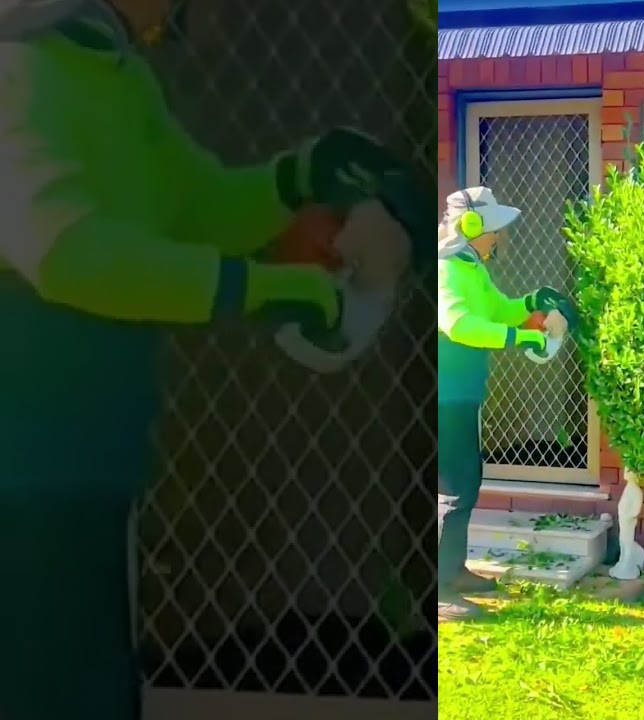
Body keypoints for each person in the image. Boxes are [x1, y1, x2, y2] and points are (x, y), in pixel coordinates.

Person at [0, 1, 421, 718]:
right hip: (24, 468)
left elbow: (196, 206)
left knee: (90, 682)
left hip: (97, 462)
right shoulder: (19, 68)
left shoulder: (117, 77)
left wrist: (300, 173)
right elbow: (70, 253)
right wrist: (256, 290)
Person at [437, 186, 578, 621]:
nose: (499, 236)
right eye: (493, 229)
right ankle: (440, 594)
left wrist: (532, 304)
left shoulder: (471, 268)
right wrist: (524, 336)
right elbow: (459, 324)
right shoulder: (445, 270)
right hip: (443, 395)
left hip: (461, 393)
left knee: (467, 482)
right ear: (472, 226)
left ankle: (453, 572)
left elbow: (499, 310)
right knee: (453, 489)